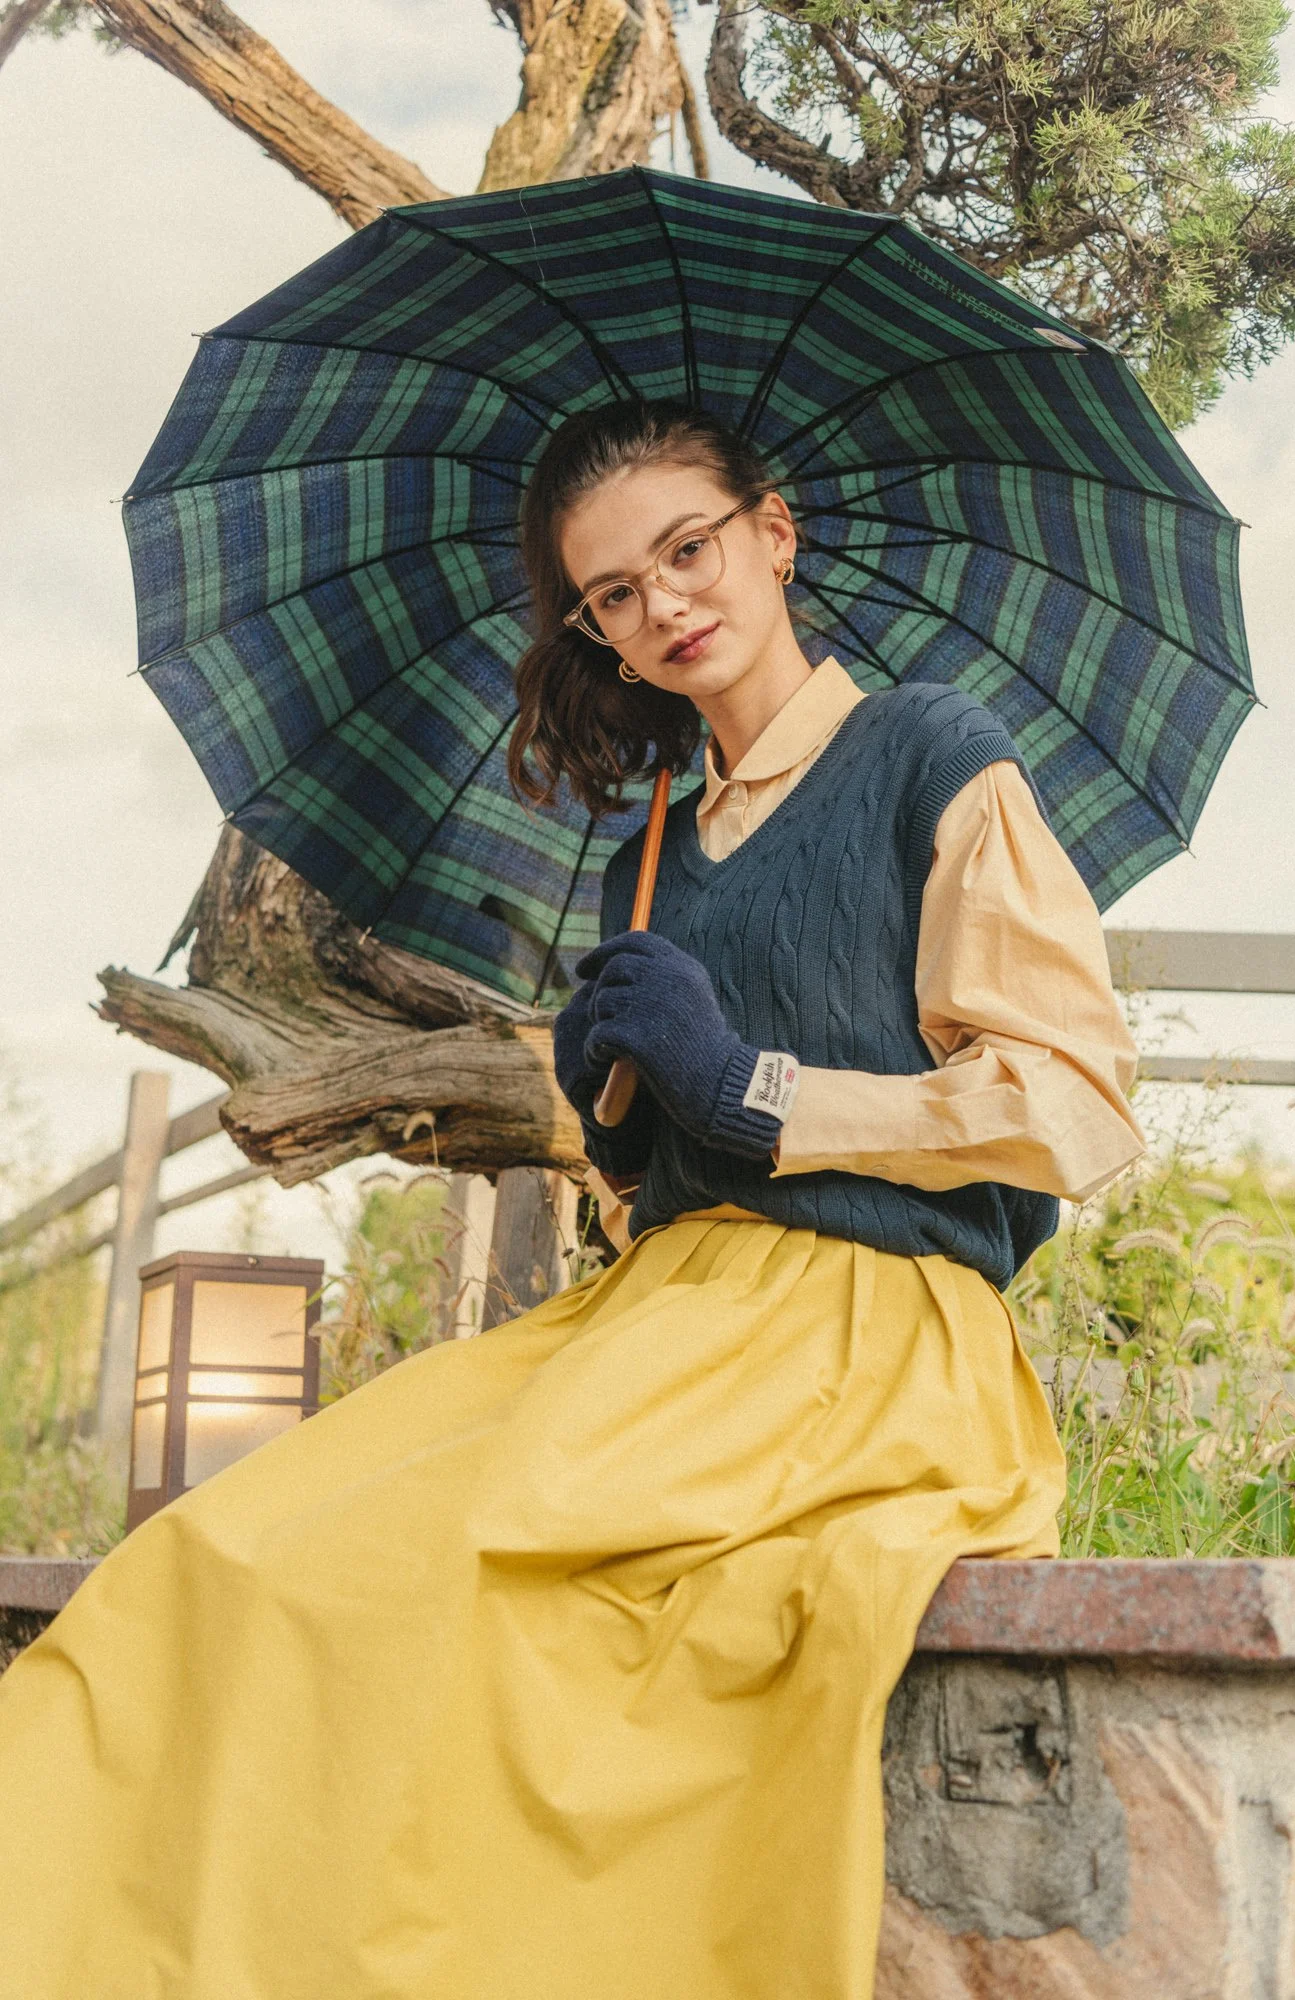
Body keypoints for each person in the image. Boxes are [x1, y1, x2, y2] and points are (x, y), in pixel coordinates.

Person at [0, 400, 1143, 2000]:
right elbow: (662, 1185)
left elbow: (1073, 1110)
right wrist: (619, 1120)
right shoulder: (651, 850)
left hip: (863, 1335)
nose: (661, 605)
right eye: (610, 594)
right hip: (659, 1319)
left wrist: (748, 1089)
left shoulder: (930, 755)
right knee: (226, 1556)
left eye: (686, 551)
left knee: (419, 1575)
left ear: (773, 532)